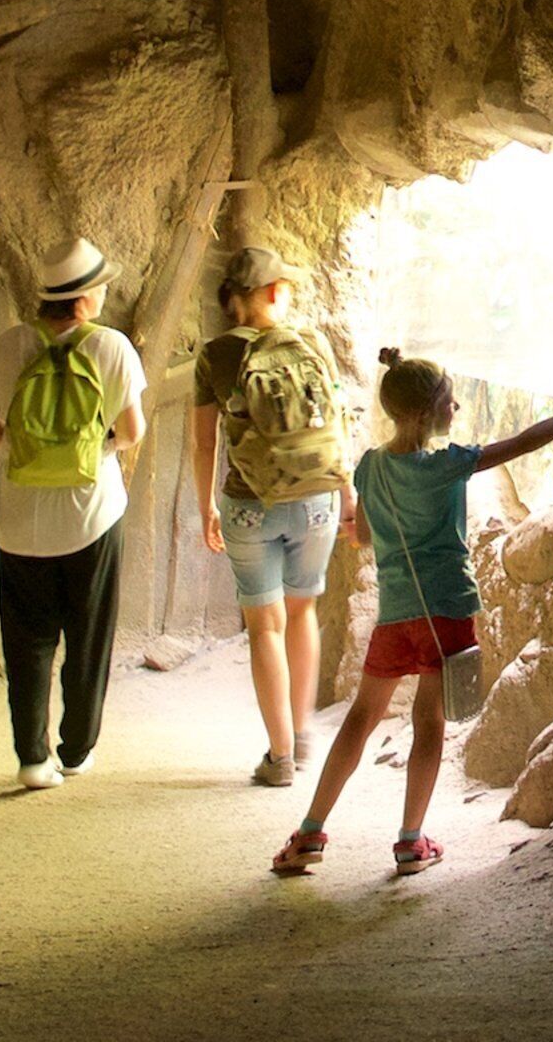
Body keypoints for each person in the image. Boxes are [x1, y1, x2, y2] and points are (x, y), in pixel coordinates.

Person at [270, 352, 553, 878]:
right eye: (447, 399)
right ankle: (411, 841)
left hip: (396, 613)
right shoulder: (448, 465)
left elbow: (362, 536)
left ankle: (311, 830)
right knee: (427, 724)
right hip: (447, 611)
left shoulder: (369, 467)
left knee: (360, 720)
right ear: (426, 411)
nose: (455, 405)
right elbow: (525, 441)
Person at [0, 239, 148, 789]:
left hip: (20, 520)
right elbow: (133, 430)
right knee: (88, 635)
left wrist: (28, 450)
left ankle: (31, 758)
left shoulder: (9, 346)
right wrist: (93, 449)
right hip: (91, 514)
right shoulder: (112, 348)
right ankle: (75, 750)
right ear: (87, 297)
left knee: (27, 641)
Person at [192, 246, 353, 786]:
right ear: (274, 293)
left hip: (249, 505)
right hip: (316, 502)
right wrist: (347, 497)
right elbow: (337, 426)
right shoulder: (313, 344)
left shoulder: (215, 355)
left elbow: (202, 444)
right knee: (303, 611)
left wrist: (206, 507)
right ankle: (302, 733)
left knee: (265, 626)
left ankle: (279, 755)